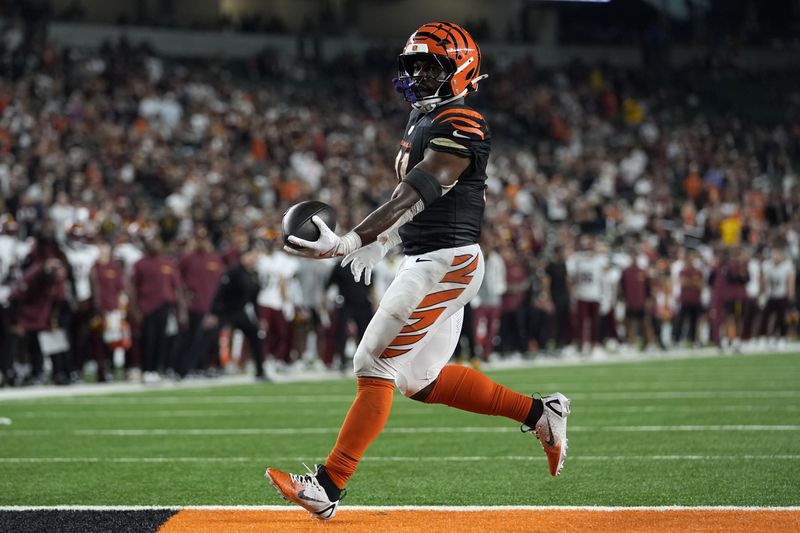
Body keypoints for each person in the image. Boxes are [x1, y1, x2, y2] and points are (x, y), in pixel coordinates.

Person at [265, 22, 570, 521]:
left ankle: (327, 486)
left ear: (461, 69)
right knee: (420, 380)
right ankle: (542, 413)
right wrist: (383, 239)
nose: (420, 76)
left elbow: (421, 190)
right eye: (414, 66)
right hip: (430, 257)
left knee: (373, 364)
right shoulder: (422, 120)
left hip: (445, 262)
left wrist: (351, 240)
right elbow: (408, 203)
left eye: (431, 66)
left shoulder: (463, 120)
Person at [205, 249, 269, 380]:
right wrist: (213, 313)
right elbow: (220, 293)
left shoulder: (253, 274)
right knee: (210, 337)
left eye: (255, 256)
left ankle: (260, 371)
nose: (253, 259)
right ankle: (208, 366)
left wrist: (259, 318)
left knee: (255, 335)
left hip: (239, 312)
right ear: (244, 256)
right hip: (224, 310)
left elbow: (254, 300)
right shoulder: (233, 271)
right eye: (251, 255)